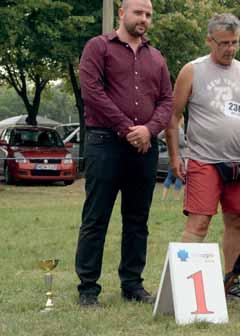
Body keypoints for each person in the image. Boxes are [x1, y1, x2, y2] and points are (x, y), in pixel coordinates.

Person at [165, 13, 240, 301]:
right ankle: (182, 287)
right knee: (199, 223)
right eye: (224, 43)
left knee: (236, 223)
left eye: (235, 43)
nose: (230, 49)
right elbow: (173, 116)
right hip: (203, 160)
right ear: (209, 40)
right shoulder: (192, 71)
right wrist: (175, 157)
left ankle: (231, 282)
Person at [75, 0, 173, 307]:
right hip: (105, 144)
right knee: (96, 217)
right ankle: (88, 288)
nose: (143, 19)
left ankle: (132, 284)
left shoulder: (157, 57)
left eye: (148, 15)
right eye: (138, 13)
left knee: (137, 220)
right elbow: (92, 92)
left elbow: (167, 102)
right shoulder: (98, 47)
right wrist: (127, 128)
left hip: (144, 148)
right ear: (122, 13)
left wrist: (149, 130)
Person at [161, 126, 186, 201]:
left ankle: (163, 197)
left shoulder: (167, 128)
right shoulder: (180, 130)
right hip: (179, 157)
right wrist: (186, 143)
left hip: (170, 156)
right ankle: (176, 197)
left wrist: (167, 141)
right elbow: (181, 143)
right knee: (179, 177)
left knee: (169, 176)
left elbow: (159, 136)